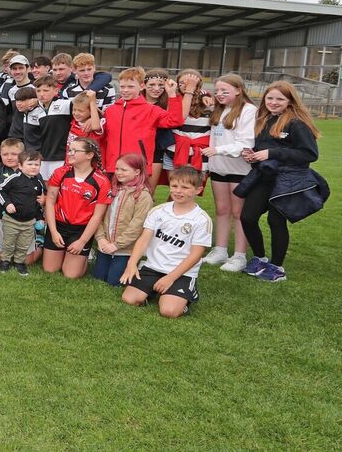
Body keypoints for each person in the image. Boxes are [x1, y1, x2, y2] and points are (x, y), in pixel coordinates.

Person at [236, 81, 324, 283]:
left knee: (276, 220)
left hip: (287, 180)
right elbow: (261, 148)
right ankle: (260, 258)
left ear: (290, 101)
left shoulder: (296, 123)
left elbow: (309, 154)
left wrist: (272, 153)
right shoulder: (264, 120)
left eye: (280, 99)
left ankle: (276, 267)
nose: (274, 102)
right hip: (264, 176)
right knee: (248, 217)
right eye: (270, 98)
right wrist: (252, 155)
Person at [120, 167, 212, 318]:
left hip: (181, 272)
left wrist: (170, 278)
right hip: (153, 267)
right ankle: (156, 290)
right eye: (174, 186)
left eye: (185, 187)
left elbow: (196, 254)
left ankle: (184, 296)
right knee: (129, 299)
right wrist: (131, 264)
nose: (178, 191)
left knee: (168, 312)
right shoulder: (159, 211)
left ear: (198, 189)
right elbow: (144, 239)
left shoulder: (201, 219)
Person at [200, 74, 257, 272]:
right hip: (219, 168)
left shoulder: (249, 110)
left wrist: (218, 151)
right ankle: (220, 250)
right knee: (222, 210)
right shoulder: (218, 110)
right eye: (217, 91)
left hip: (240, 169)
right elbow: (212, 141)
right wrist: (209, 164)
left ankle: (239, 256)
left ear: (239, 90)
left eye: (225, 91)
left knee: (238, 213)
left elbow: (246, 143)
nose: (220, 94)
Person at [100, 68, 189, 175]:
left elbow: (175, 121)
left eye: (130, 87)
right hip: (113, 167)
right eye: (122, 86)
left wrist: (172, 95)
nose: (125, 90)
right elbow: (104, 140)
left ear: (142, 86)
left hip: (137, 168)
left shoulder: (151, 110)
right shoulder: (110, 110)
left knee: (136, 192)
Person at [44, 137, 111, 279]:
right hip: (58, 225)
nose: (70, 153)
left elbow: (97, 216)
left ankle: (85, 255)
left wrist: (82, 241)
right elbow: (50, 202)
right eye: (70, 150)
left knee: (70, 275)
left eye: (75, 150)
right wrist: (53, 231)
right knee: (50, 270)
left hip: (81, 230)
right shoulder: (60, 172)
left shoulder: (102, 181)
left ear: (89, 155)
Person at [92, 152, 153, 286]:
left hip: (125, 249)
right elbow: (98, 216)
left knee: (114, 283)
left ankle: (138, 264)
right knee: (98, 278)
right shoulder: (111, 189)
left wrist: (116, 245)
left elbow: (137, 226)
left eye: (124, 170)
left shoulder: (143, 196)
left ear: (137, 171)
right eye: (117, 169)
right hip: (105, 245)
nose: (118, 172)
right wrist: (101, 239)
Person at [0, 150, 45, 275]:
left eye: (37, 164)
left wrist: (39, 218)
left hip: (29, 222)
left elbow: (37, 203)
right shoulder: (14, 178)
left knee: (23, 244)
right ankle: (5, 261)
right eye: (30, 164)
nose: (34, 167)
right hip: (12, 220)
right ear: (20, 166)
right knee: (8, 243)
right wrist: (7, 204)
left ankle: (19, 263)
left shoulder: (38, 183)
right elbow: (0, 191)